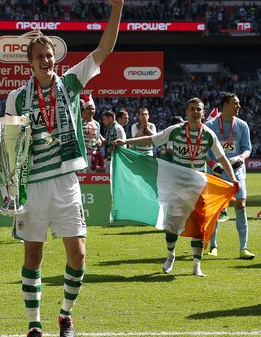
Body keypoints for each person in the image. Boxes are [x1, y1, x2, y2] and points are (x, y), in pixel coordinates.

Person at [4, 0, 124, 337]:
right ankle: (34, 325)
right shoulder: (16, 97)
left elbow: (104, 49)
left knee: (79, 253)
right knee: (33, 255)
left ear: (56, 59)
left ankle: (66, 314)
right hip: (34, 186)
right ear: (30, 61)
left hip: (66, 182)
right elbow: (11, 144)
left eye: (50, 55)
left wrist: (117, 8)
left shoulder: (71, 83)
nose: (46, 60)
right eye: (39, 56)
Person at [114, 97, 238, 277]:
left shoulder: (208, 134)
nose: (196, 112)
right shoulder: (175, 131)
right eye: (192, 109)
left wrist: (233, 178)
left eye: (199, 109)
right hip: (177, 185)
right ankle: (171, 255)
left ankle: (196, 266)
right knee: (172, 224)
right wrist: (126, 143)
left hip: (198, 186)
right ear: (187, 112)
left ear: (203, 113)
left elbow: (222, 158)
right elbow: (152, 140)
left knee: (199, 226)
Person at [206, 92, 254, 259]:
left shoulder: (242, 125)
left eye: (238, 103)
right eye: (235, 103)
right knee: (216, 210)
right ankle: (213, 246)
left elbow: (247, 148)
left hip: (237, 173)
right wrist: (213, 164)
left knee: (241, 206)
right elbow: (202, 150)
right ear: (225, 105)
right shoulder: (210, 125)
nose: (239, 106)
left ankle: (243, 248)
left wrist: (241, 157)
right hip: (216, 173)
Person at [80, 94, 103, 173]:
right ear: (85, 110)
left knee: (91, 178)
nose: (91, 111)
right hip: (82, 154)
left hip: (93, 155)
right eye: (89, 109)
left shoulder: (97, 124)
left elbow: (97, 137)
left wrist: (99, 141)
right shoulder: (79, 122)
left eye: (93, 109)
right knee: (82, 177)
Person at [101, 109, 125, 174]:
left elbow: (123, 144)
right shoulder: (109, 129)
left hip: (116, 160)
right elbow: (107, 142)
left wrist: (112, 149)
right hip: (110, 159)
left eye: (104, 119)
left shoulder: (118, 128)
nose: (103, 121)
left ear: (111, 119)